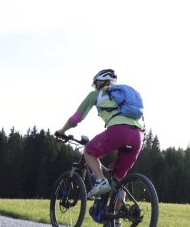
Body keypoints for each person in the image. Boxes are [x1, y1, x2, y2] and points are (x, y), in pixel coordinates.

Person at [55, 68, 145, 197]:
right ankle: (117, 216)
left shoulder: (96, 94)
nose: (95, 87)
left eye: (96, 83)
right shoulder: (122, 95)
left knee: (89, 150)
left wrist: (62, 131)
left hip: (118, 131)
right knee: (118, 180)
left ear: (101, 82)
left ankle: (101, 181)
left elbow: (76, 118)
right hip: (138, 136)